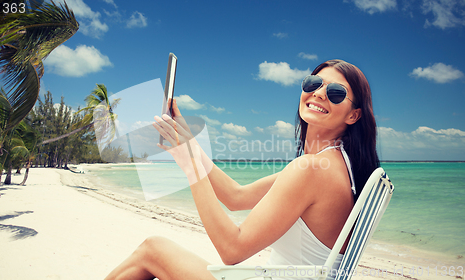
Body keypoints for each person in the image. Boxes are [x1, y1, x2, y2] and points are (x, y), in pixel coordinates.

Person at [105, 59, 379, 280]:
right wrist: (191, 144)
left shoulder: (312, 168)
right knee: (154, 250)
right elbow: (236, 197)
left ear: (354, 115)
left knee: (153, 250)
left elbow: (232, 249)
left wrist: (190, 165)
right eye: (314, 83)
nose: (319, 93)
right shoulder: (332, 164)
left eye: (336, 92)